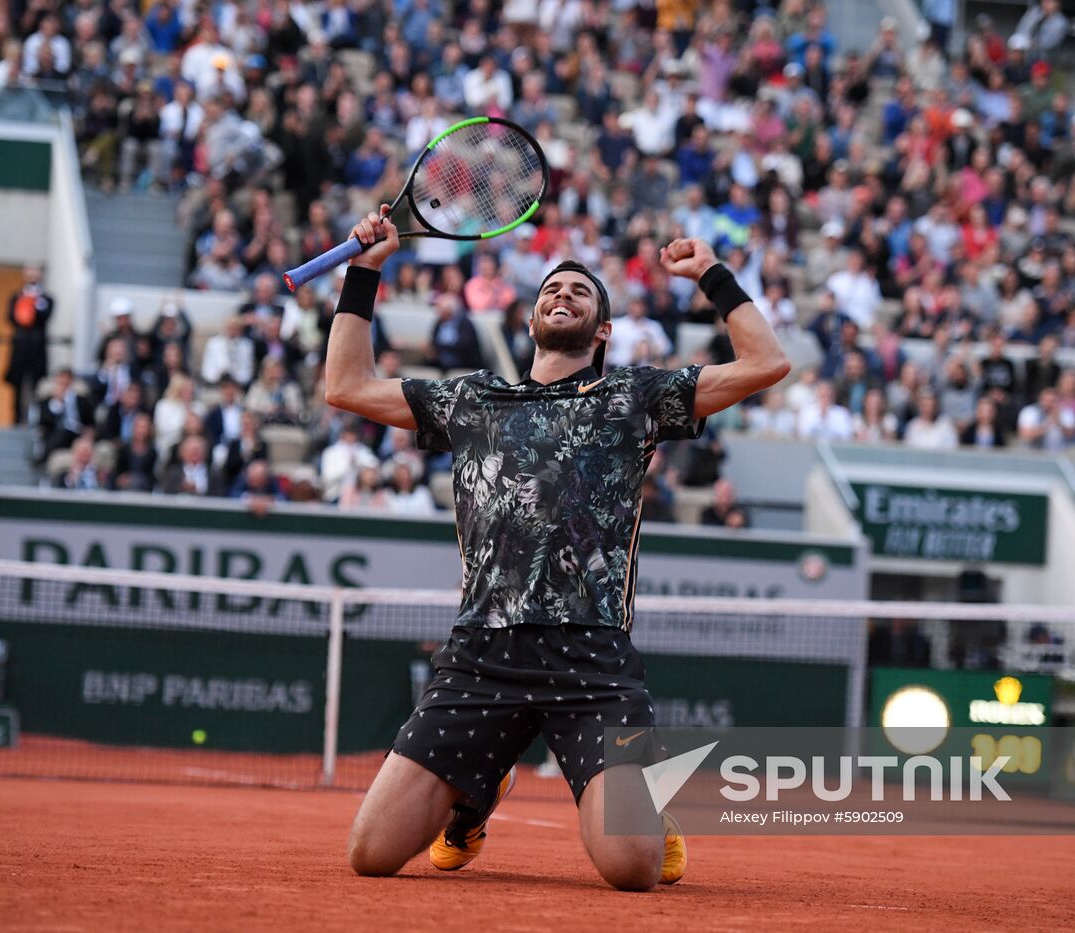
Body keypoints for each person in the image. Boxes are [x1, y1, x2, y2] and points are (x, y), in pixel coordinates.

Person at [328, 206, 788, 890]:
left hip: (591, 660)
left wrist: (712, 275)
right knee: (370, 854)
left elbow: (767, 363)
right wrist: (364, 273)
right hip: (481, 654)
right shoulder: (475, 400)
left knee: (633, 870)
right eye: (551, 288)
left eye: (579, 290)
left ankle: (636, 797)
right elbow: (346, 387)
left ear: (602, 329)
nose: (561, 293)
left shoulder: (634, 394)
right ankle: (479, 791)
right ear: (531, 318)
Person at [4, 266, 54, 423]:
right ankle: (17, 418)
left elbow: (45, 317)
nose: (33, 274)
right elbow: (11, 318)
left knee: (37, 385)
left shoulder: (46, 299)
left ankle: (35, 419)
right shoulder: (16, 297)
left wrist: (35, 304)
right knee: (18, 384)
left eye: (36, 271)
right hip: (20, 346)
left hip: (37, 347)